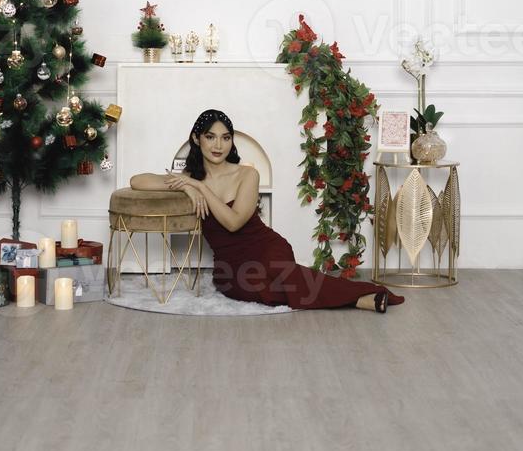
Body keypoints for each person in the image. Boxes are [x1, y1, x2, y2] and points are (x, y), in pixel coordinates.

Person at [130, 109, 404, 313]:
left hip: (266, 248)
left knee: (284, 274)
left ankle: (362, 297)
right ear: (196, 139)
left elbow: (234, 223)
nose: (218, 145)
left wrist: (198, 188)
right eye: (210, 137)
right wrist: (188, 186)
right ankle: (353, 298)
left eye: (225, 138)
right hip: (230, 265)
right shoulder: (190, 177)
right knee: (256, 289)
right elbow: (137, 181)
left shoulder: (247, 174)